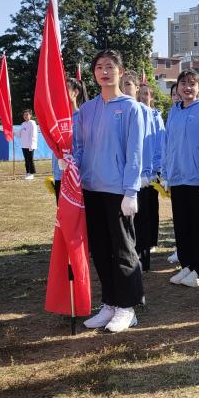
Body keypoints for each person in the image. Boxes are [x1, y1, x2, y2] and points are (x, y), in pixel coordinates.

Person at [74, 49, 145, 333]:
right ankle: (110, 303)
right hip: (91, 188)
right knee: (101, 250)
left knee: (123, 249)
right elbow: (79, 146)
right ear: (93, 73)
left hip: (118, 191)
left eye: (110, 67)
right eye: (99, 67)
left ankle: (128, 307)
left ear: (120, 71)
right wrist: (73, 166)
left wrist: (131, 191)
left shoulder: (130, 108)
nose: (104, 72)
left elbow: (135, 152)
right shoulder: (87, 110)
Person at [164, 70, 199, 288]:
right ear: (177, 87)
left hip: (198, 181)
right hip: (178, 178)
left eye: (192, 84)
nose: (187, 88)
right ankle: (187, 265)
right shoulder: (174, 111)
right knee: (182, 225)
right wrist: (166, 174)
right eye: (183, 83)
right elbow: (168, 144)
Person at [135, 79, 164, 271]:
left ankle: (150, 241)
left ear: (152, 98)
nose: (144, 97)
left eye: (147, 94)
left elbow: (158, 144)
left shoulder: (155, 116)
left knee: (150, 208)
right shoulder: (134, 112)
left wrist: (156, 168)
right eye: (142, 93)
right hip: (136, 172)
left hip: (151, 171)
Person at [51, 77, 86, 203]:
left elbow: (85, 148)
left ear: (75, 93)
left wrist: (73, 164)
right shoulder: (56, 119)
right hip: (59, 174)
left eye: (64, 90)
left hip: (77, 175)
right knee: (62, 213)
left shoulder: (82, 117)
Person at [18, 109, 38, 180]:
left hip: (30, 145)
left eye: (27, 115)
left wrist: (32, 144)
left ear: (30, 115)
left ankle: (31, 173)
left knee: (30, 159)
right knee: (26, 160)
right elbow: (19, 134)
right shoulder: (23, 124)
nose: (25, 116)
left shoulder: (32, 123)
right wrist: (12, 133)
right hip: (24, 145)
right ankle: (27, 172)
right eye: (24, 115)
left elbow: (34, 134)